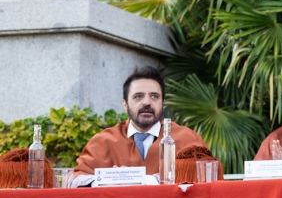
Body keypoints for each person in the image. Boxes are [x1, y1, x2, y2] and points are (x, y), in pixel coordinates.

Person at [73, 66, 205, 185]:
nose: (147, 102)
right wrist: (111, 179)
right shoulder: (103, 141)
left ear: (162, 103)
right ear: (125, 104)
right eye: (138, 96)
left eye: (154, 96)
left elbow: (204, 175)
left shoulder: (187, 139)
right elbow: (76, 179)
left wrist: (147, 180)